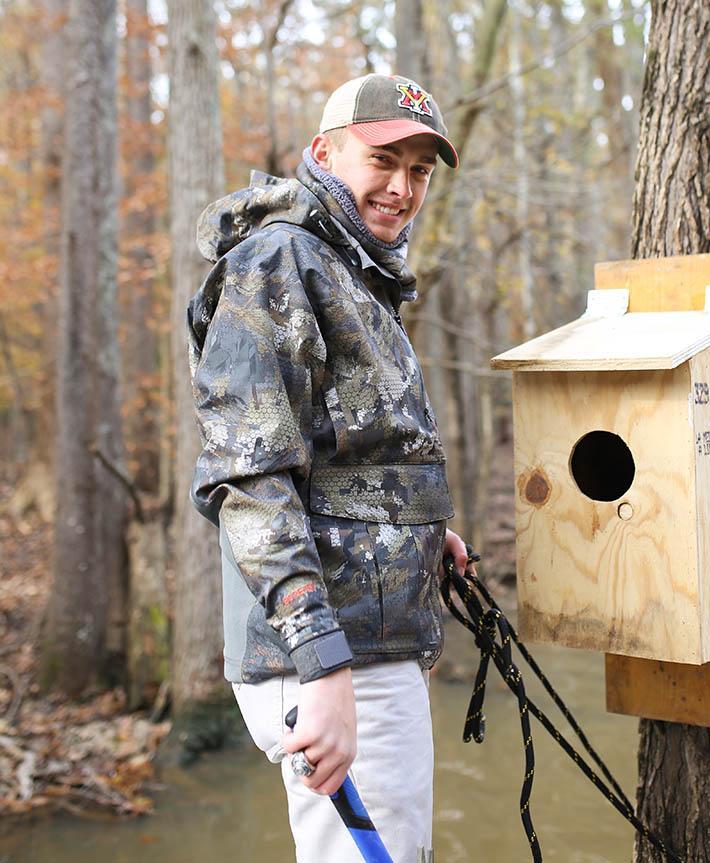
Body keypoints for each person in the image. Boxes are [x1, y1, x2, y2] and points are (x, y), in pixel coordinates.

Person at [187, 73, 471, 863]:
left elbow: (348, 456)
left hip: (366, 643)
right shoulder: (280, 260)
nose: (403, 186)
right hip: (330, 653)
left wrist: (426, 532)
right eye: (384, 159)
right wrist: (322, 665)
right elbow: (249, 475)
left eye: (420, 169)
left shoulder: (355, 271)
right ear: (324, 151)